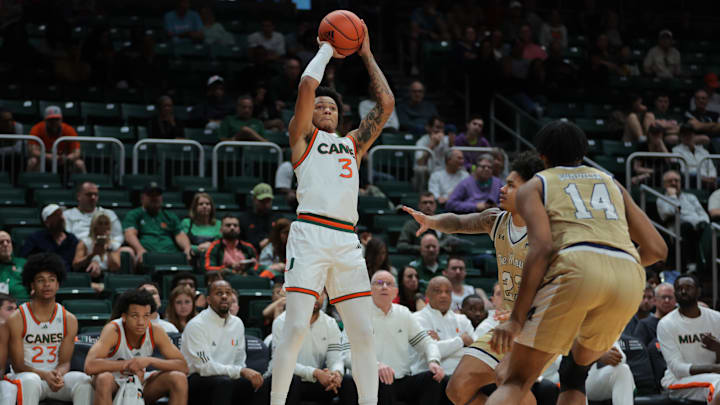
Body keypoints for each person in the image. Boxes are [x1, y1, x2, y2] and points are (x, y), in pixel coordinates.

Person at [484, 120, 667, 405]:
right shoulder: (611, 182)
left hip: (575, 268)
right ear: (582, 153)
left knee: (515, 379)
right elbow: (657, 249)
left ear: (542, 156)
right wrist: (612, 268)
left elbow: (541, 248)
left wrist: (517, 320)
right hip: (630, 275)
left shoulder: (536, 184)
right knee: (573, 373)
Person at [271, 21, 394, 405]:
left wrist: (366, 53)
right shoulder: (302, 138)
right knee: (293, 329)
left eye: (331, 107)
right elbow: (308, 86)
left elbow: (386, 104)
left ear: (340, 116)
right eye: (320, 107)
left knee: (362, 334)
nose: (324, 108)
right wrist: (328, 47)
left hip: (345, 240)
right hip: (309, 233)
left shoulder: (352, 143)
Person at [403, 150, 546, 405]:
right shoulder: (496, 221)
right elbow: (459, 221)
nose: (502, 189)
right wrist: (431, 221)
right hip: (505, 321)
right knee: (457, 389)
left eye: (511, 185)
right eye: (505, 182)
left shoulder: (545, 232)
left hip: (535, 324)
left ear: (529, 192)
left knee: (506, 379)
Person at [343, 270, 445, 405]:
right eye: (379, 283)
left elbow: (427, 342)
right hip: (370, 382)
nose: (384, 286)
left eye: (389, 284)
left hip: (402, 380)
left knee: (433, 378)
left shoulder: (403, 313)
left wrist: (433, 361)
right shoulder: (358, 315)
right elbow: (345, 354)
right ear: (370, 290)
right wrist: (375, 366)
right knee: (383, 381)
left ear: (395, 291)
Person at [6, 252, 93, 405]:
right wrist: (44, 374)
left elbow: (65, 362)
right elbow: (18, 365)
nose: (47, 284)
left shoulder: (69, 319)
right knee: (30, 381)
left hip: (53, 377)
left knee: (84, 381)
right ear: (32, 285)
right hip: (26, 376)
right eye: (41, 280)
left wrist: (58, 374)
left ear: (58, 284)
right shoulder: (18, 317)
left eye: (51, 280)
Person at [84, 289, 189, 405]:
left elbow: (183, 366)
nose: (141, 322)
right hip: (114, 383)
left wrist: (149, 361)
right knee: (104, 379)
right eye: (135, 316)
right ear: (124, 317)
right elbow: (89, 365)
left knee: (178, 378)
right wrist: (128, 364)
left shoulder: (155, 330)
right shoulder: (113, 330)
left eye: (146, 316)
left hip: (140, 382)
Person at [181, 280, 264, 405]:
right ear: (208, 300)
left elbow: (239, 360)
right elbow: (204, 367)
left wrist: (241, 372)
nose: (224, 296)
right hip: (197, 380)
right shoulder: (196, 325)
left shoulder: (237, 323)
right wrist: (240, 371)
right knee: (224, 382)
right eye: (219, 293)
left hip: (227, 379)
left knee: (248, 383)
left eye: (228, 293)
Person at [261, 292, 346, 405]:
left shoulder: (330, 323)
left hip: (314, 380)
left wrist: (336, 373)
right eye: (312, 292)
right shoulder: (282, 321)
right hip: (279, 380)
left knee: (348, 382)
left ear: (325, 296)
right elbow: (282, 363)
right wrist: (315, 373)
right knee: (292, 380)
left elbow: (336, 358)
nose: (316, 297)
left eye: (320, 293)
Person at [657, 275, 720, 405]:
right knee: (718, 383)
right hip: (677, 380)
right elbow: (677, 369)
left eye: (688, 288)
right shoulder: (666, 324)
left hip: (711, 376)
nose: (683, 292)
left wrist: (718, 348)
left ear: (698, 291)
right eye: (679, 289)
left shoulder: (716, 318)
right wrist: (713, 368)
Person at [410, 276, 474, 378]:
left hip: (463, 374)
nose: (443, 295)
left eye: (447, 291)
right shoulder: (417, 319)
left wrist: (440, 344)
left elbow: (475, 350)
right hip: (430, 376)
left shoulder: (463, 320)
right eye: (438, 291)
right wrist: (461, 341)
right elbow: (429, 353)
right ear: (427, 295)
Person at [123, 182, 192, 264]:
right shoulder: (134, 214)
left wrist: (187, 249)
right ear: (142, 198)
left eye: (157, 195)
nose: (155, 198)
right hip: (148, 254)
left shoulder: (169, 216)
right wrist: (140, 250)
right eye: (151, 195)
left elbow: (180, 235)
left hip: (171, 254)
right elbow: (129, 235)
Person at [657, 169, 710, 271]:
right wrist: (672, 196)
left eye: (676, 180)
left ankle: (707, 264)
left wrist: (702, 223)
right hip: (678, 231)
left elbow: (703, 213)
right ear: (664, 184)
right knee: (687, 226)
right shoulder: (661, 199)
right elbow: (671, 212)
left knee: (705, 226)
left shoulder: (691, 197)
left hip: (698, 227)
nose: (674, 183)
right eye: (670, 181)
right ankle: (691, 265)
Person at [72, 212, 129, 284]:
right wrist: (92, 255)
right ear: (94, 226)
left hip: (107, 278)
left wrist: (108, 248)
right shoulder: (85, 242)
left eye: (106, 223)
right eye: (100, 223)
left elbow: (115, 267)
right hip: (88, 276)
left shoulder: (113, 245)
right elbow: (75, 265)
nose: (104, 227)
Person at [21, 204, 78, 273]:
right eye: (56, 216)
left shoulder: (72, 239)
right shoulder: (35, 238)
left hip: (68, 277)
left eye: (61, 214)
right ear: (47, 221)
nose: (61, 218)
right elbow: (25, 260)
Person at [27, 105, 85, 173]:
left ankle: (85, 183)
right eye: (51, 120)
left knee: (79, 163)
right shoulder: (37, 129)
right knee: (32, 161)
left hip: (64, 161)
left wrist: (67, 158)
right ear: (45, 120)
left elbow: (77, 152)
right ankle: (32, 183)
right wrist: (48, 156)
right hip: (44, 160)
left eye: (56, 119)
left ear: (61, 119)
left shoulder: (69, 130)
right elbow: (33, 150)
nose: (54, 123)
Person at [584, 340, 635, 405]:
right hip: (572, 378)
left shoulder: (605, 331)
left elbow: (621, 358)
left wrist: (610, 355)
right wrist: (599, 355)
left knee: (623, 370)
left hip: (591, 380)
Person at [671, 124, 717, 188]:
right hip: (690, 179)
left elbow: (711, 169)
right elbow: (681, 170)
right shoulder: (675, 151)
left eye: (690, 134)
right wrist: (700, 178)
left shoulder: (704, 151)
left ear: (694, 135)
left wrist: (712, 178)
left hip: (709, 179)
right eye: (685, 134)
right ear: (680, 136)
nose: (688, 136)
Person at [239, 183, 280, 252]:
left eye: (268, 200)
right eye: (262, 201)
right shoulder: (244, 219)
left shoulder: (278, 218)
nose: (266, 204)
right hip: (250, 254)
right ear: (254, 199)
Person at [634, 283, 676, 347]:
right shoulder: (644, 325)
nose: (667, 300)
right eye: (663, 297)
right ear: (655, 300)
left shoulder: (679, 323)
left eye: (670, 297)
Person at [414, 116, 450, 190]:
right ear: (428, 128)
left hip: (444, 171)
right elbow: (420, 163)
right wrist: (431, 146)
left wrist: (451, 144)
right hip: (428, 172)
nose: (439, 131)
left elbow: (452, 159)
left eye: (442, 128)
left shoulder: (447, 140)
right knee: (420, 170)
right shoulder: (421, 141)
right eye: (437, 127)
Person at [0, 231, 29, 300]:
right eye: (1, 242)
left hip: (23, 303)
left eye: (8, 241)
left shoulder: (24, 263)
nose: (5, 244)